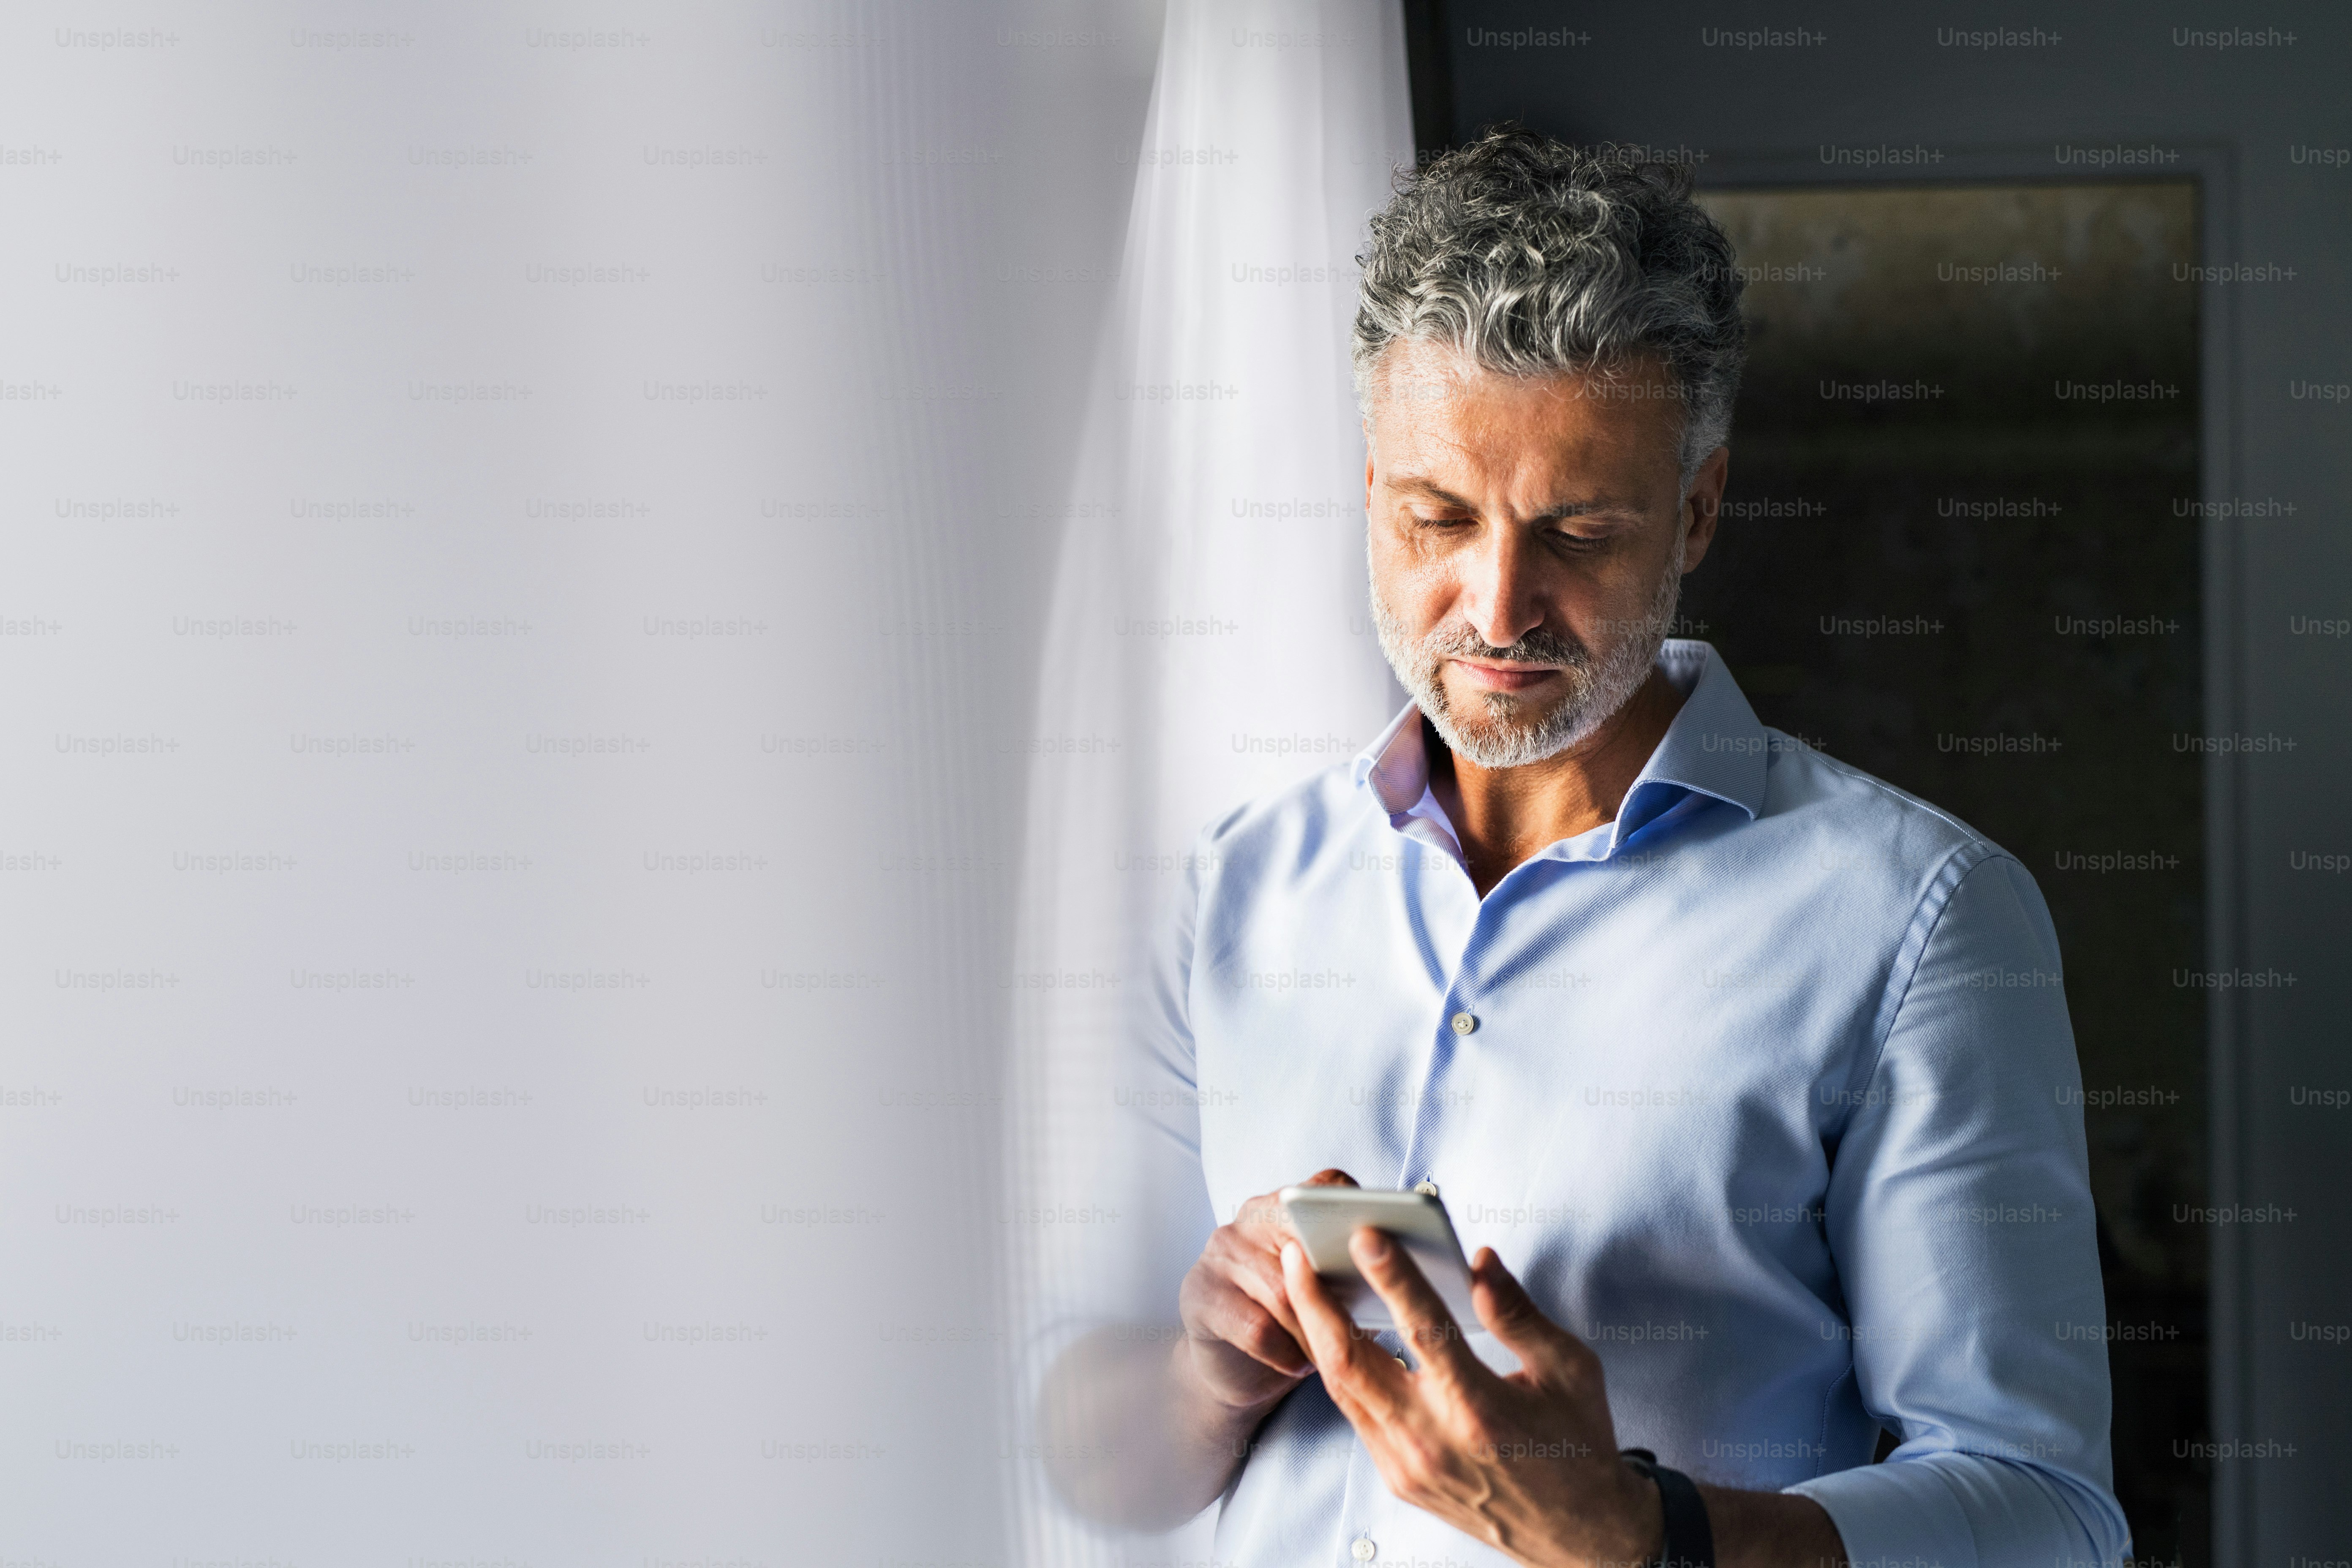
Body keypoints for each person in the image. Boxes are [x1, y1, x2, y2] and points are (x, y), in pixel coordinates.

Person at [1039, 126, 2129, 1568]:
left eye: (1579, 531)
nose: (1498, 606)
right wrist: (1201, 1379)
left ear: (1698, 508)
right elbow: (1082, 1459)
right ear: (1371, 495)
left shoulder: (1922, 920)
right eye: (1438, 517)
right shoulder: (1227, 891)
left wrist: (1642, 1536)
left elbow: (2045, 1515)